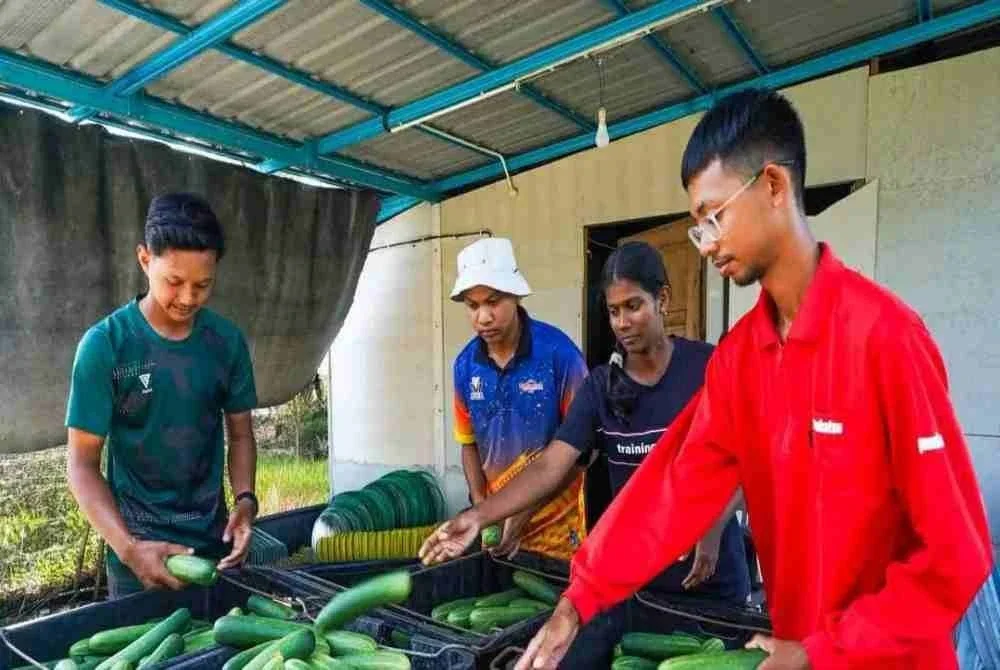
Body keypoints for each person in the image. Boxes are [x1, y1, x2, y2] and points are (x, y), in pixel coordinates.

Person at [512, 89, 993, 670]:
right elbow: (671, 488)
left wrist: (822, 652)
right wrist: (580, 597)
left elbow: (954, 556)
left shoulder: (885, 337)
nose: (708, 243)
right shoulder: (741, 361)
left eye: (713, 216)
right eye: (698, 227)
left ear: (772, 186)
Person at [422, 240, 750, 667]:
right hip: (638, 584)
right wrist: (478, 516)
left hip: (712, 579)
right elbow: (550, 466)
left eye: (634, 306)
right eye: (614, 311)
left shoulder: (709, 369)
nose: (623, 322)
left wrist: (713, 525)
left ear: (663, 299)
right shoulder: (599, 388)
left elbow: (748, 460)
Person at [66, 193, 259, 599]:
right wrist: (129, 550)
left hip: (214, 547)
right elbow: (82, 466)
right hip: (137, 556)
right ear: (144, 260)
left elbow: (240, 434)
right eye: (174, 281)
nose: (189, 297)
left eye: (203, 285)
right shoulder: (105, 346)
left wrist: (246, 500)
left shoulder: (226, 343)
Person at [450, 236, 588, 561]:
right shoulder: (464, 366)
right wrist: (483, 508)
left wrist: (520, 516)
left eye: (494, 301)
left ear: (516, 295)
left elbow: (583, 452)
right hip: (496, 529)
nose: (483, 317)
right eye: (473, 305)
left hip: (557, 529)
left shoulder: (560, 356)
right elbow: (468, 443)